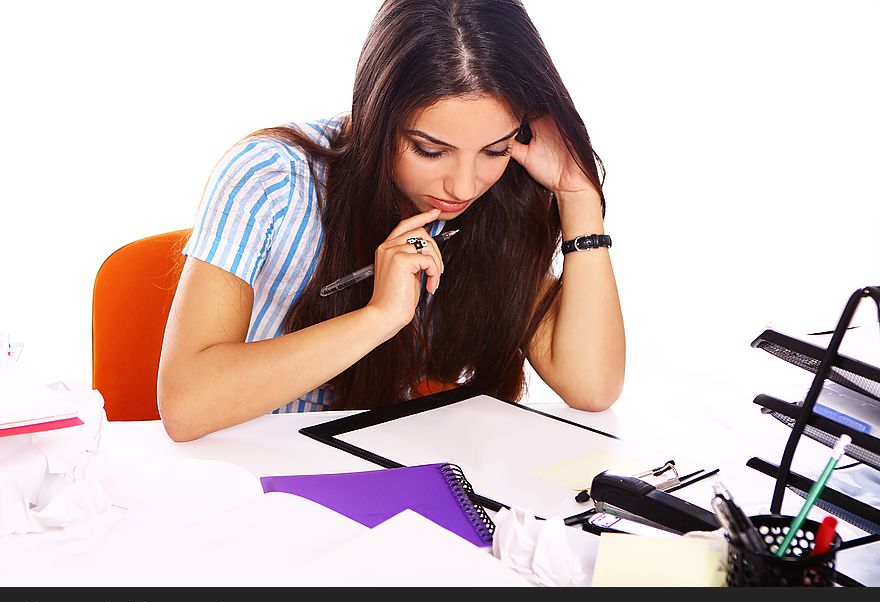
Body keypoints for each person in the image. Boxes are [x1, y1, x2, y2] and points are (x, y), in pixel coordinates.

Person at [157, 0, 625, 442]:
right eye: (430, 150)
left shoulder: (496, 203)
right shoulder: (272, 177)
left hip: (387, 478)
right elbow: (185, 404)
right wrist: (380, 316)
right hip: (246, 482)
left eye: (495, 149)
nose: (463, 187)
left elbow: (592, 387)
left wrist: (577, 196)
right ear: (377, 115)